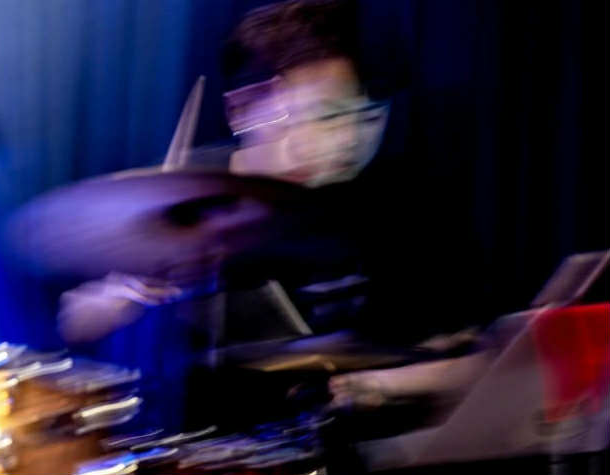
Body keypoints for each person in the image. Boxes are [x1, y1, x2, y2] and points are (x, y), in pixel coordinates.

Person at [58, 0, 491, 412]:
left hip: (346, 440)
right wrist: (112, 305)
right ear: (244, 110)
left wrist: (380, 384)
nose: (349, 140)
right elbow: (73, 327)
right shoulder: (170, 202)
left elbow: (481, 359)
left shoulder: (403, 208)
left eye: (371, 117)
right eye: (327, 116)